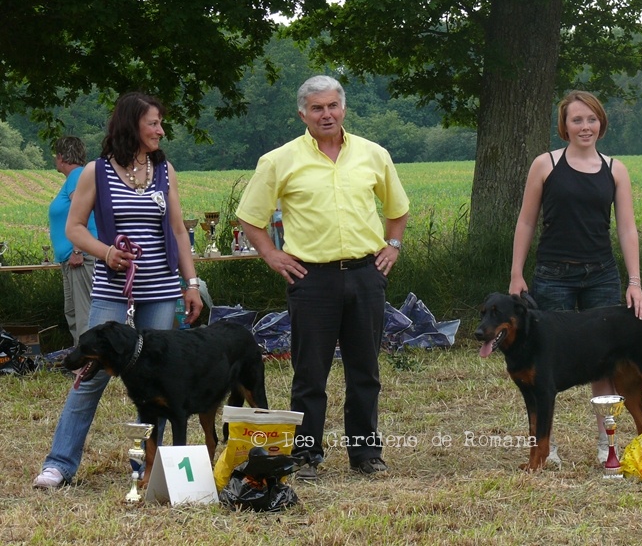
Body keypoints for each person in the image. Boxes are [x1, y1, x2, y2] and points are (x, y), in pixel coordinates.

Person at [237, 75, 410, 480]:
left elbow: (398, 208)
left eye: (332, 106)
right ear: (303, 114)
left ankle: (365, 454)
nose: (326, 114)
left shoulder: (373, 154)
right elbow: (249, 217)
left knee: (365, 371)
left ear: (343, 108)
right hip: (312, 279)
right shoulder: (279, 161)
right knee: (310, 373)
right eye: (317, 108)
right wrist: (271, 254)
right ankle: (306, 454)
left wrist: (393, 245)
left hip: (366, 274)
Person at [34, 92, 202, 488]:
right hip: (112, 292)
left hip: (161, 292)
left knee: (156, 380)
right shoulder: (96, 172)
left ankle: (146, 467)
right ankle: (59, 464)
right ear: (132, 125)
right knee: (90, 374)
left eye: (160, 123)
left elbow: (179, 231)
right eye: (153, 123)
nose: (161, 130)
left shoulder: (164, 170)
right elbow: (74, 227)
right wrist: (106, 253)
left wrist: (191, 283)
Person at [508, 90, 642, 466]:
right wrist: (516, 273)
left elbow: (627, 228)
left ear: (601, 123)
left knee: (604, 363)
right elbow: (526, 221)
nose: (585, 127)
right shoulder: (545, 165)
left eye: (592, 119)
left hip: (601, 276)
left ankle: (607, 443)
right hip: (553, 275)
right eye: (577, 120)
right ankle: (545, 446)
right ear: (564, 126)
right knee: (543, 365)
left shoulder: (615, 169)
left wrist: (634, 281)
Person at [48, 136, 98, 348]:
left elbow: (84, 212)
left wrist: (78, 249)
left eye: (55, 156)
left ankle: (89, 360)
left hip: (81, 257)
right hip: (72, 259)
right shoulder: (76, 177)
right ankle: (82, 356)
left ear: (61, 157)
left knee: (84, 314)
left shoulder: (77, 176)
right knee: (74, 313)